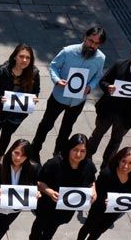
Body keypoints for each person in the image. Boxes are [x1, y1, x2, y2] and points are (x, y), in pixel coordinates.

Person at [31, 27, 107, 160]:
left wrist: (90, 86)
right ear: (85, 37)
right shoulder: (68, 51)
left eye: (96, 43)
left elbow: (98, 75)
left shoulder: (100, 58)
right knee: (46, 125)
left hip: (77, 101)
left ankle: (58, 154)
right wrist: (57, 80)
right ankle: (34, 150)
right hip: (59, 97)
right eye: (91, 41)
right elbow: (54, 66)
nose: (92, 45)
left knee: (66, 129)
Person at [25, 133, 97, 240]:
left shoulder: (88, 165)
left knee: (51, 230)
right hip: (47, 206)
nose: (78, 154)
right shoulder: (54, 164)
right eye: (75, 150)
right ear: (69, 148)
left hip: (65, 209)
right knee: (38, 227)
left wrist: (93, 191)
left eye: (82, 151)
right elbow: (39, 182)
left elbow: (92, 181)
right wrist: (49, 191)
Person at [87, 41, 131, 168]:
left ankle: (106, 167)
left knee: (115, 141)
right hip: (108, 110)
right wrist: (108, 87)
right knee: (97, 134)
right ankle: (86, 159)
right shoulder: (119, 65)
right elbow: (103, 81)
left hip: (127, 116)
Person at [72, 147, 131, 240]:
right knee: (88, 226)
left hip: (115, 211)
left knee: (100, 230)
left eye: (130, 163)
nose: (126, 166)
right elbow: (98, 192)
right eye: (123, 161)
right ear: (118, 160)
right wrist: (104, 200)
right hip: (99, 208)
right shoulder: (107, 173)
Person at [0, 44, 41, 158]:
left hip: (17, 114)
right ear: (15, 56)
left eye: (28, 57)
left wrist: (34, 98)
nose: (24, 60)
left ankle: (0, 157)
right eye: (21, 56)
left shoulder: (34, 74)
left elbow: (36, 90)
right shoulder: (1, 71)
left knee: (7, 135)